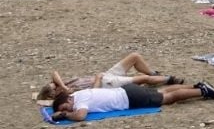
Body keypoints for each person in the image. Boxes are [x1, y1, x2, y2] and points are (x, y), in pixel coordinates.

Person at [49, 77, 214, 121]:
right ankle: (196, 86)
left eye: (65, 107)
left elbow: (80, 116)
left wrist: (65, 116)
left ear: (69, 100)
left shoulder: (79, 102)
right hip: (126, 91)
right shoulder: (78, 94)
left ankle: (202, 91)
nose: (67, 110)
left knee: (168, 98)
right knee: (161, 91)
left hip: (129, 98)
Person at [36, 54, 183, 100]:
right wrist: (99, 79)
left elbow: (54, 73)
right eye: (53, 87)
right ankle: (169, 79)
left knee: (134, 57)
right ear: (53, 94)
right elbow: (94, 94)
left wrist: (62, 86)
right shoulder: (70, 97)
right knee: (140, 79)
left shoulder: (64, 87)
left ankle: (154, 75)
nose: (54, 84)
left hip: (106, 76)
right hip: (106, 84)